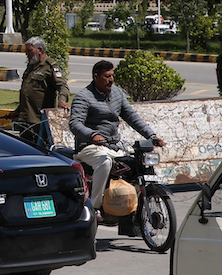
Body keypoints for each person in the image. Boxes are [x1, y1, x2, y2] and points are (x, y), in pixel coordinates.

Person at [69, 59, 164, 225]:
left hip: (113, 146)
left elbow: (132, 117)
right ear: (96, 76)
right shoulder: (83, 97)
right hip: (90, 147)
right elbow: (75, 123)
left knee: (136, 165)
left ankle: (133, 211)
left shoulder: (117, 94)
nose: (111, 80)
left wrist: (152, 135)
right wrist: (92, 136)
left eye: (112, 76)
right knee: (105, 163)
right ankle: (94, 207)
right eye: (107, 76)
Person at [9, 36, 69, 147]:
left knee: (39, 150)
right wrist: (18, 110)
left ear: (40, 50)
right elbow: (28, 92)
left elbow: (62, 86)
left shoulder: (50, 67)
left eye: (30, 51)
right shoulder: (30, 66)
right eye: (26, 51)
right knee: (25, 149)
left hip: (39, 120)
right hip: (25, 118)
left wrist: (62, 100)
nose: (27, 54)